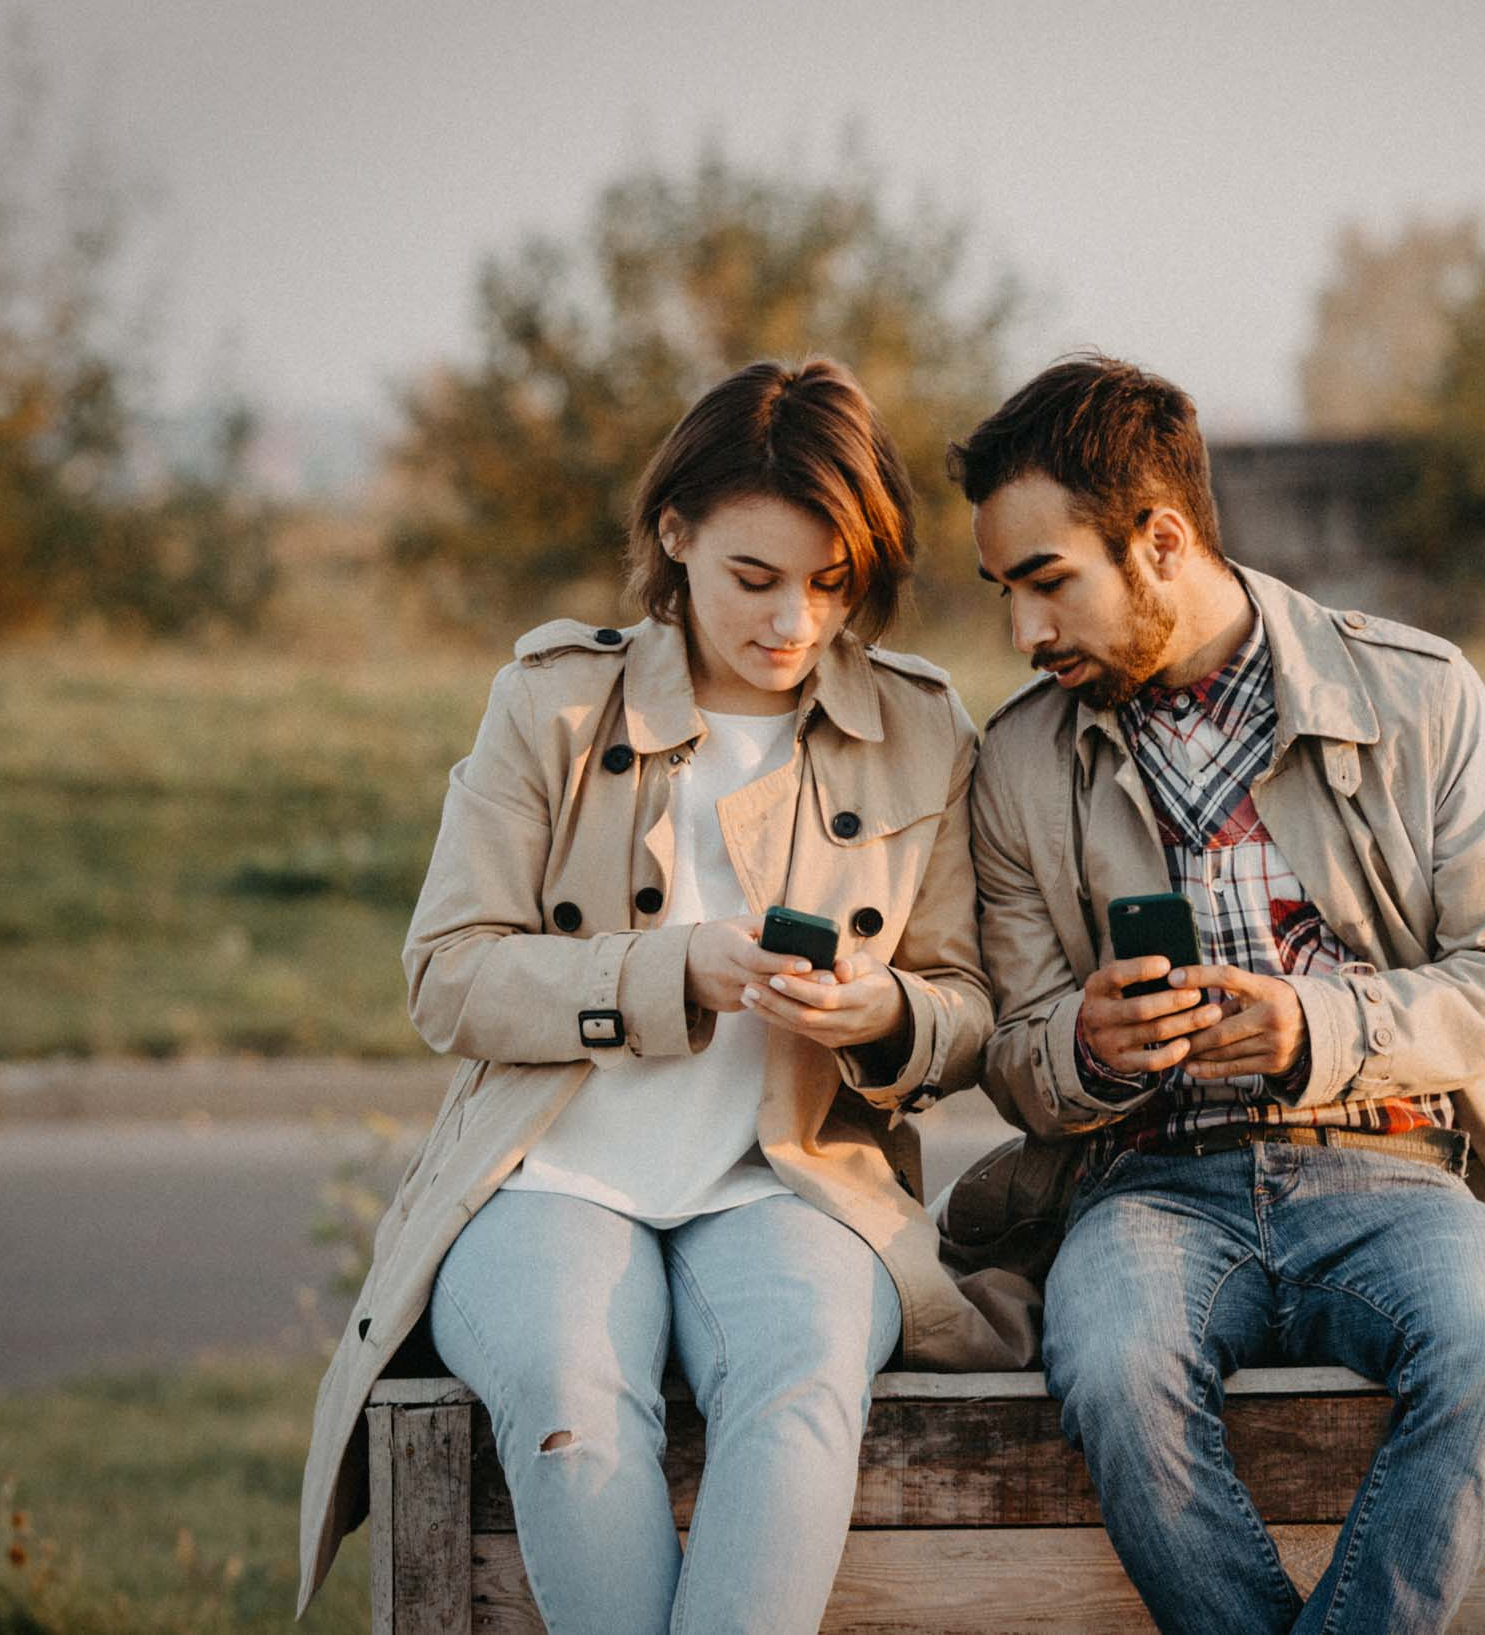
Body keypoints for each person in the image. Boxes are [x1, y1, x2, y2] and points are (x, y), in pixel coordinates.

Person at [293, 358, 1032, 1630]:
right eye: (755, 578)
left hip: (794, 1175)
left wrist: (889, 1016)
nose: (792, 621)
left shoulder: (924, 726)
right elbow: (446, 975)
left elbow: (969, 1002)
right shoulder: (552, 703)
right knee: (574, 1403)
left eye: (831, 583)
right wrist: (670, 969)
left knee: (801, 1389)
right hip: (544, 1172)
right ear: (674, 535)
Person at [954, 355, 1485, 1635]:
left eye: (1049, 583)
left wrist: (1315, 1029)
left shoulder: (1419, 692)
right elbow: (1008, 1044)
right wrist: (1088, 1048)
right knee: (1106, 1364)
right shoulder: (1014, 760)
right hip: (1143, 1183)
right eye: (1004, 591)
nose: (1023, 633)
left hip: (1399, 1167)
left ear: (1160, 541)